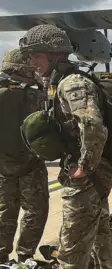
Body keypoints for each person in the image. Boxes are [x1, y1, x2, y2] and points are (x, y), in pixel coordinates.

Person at [18, 24, 112, 268]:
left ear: (54, 54)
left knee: (71, 253)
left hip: (86, 180)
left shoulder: (71, 83)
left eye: (35, 54)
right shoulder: (59, 82)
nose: (31, 61)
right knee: (101, 240)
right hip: (92, 176)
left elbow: (92, 126)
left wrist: (84, 167)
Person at [0, 49, 49, 263]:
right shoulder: (34, 94)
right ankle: (25, 257)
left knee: (4, 212)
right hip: (30, 164)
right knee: (35, 211)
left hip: (2, 165)